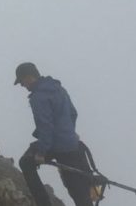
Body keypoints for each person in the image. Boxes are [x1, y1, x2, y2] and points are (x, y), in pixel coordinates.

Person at [14, 62, 95, 206]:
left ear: (28, 77)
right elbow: (73, 113)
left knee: (25, 163)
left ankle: (43, 203)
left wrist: (41, 152)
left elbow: (46, 126)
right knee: (77, 189)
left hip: (56, 145)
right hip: (72, 144)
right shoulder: (58, 88)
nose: (22, 85)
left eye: (21, 81)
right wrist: (70, 133)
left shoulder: (38, 97)